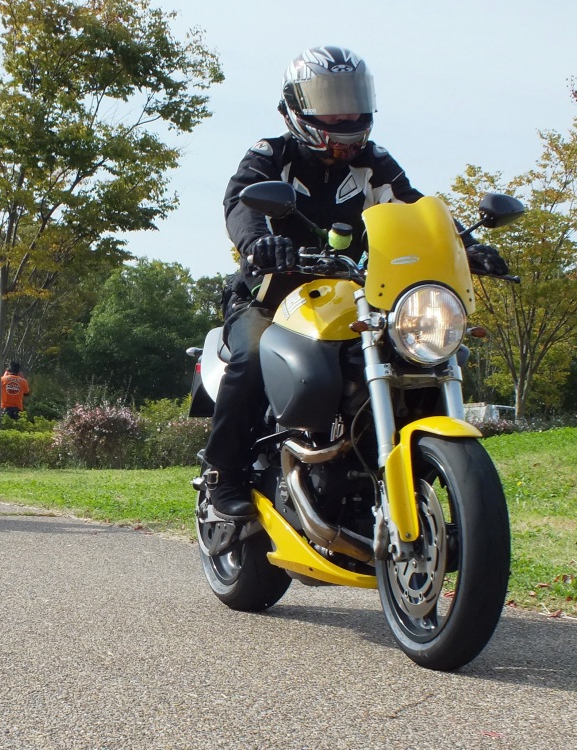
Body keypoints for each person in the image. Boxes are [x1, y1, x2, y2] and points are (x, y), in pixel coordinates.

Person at [203, 46, 510, 521]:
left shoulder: (374, 162)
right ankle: (222, 474)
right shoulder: (272, 155)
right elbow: (241, 204)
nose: (344, 115)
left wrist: (463, 248)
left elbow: (411, 209)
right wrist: (258, 244)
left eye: (351, 99)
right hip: (273, 295)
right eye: (330, 102)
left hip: (356, 296)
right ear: (298, 105)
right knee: (251, 355)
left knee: (418, 352)